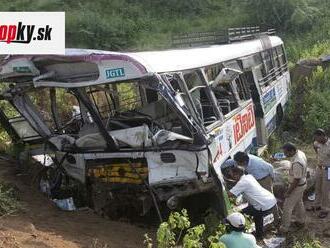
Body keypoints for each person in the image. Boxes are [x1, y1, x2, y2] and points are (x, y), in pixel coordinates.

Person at [228, 166, 277, 240]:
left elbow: (229, 194)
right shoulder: (248, 177)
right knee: (254, 213)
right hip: (271, 200)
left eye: (232, 175)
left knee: (242, 214)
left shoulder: (242, 183)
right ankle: (259, 233)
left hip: (264, 205)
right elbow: (237, 183)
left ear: (237, 174)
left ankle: (257, 236)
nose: (231, 177)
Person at [279, 143, 307, 233]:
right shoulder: (300, 153)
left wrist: (288, 192)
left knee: (287, 207)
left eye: (286, 152)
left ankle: (284, 228)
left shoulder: (297, 162)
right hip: (302, 184)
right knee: (299, 203)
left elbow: (296, 179)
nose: (284, 154)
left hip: (297, 186)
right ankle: (301, 221)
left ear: (291, 151)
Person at [308, 129, 330, 218]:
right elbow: (315, 147)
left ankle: (325, 209)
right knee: (317, 187)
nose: (315, 140)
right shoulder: (317, 143)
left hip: (329, 170)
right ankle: (317, 205)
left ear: (322, 136)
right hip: (319, 168)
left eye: (317, 137)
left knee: (326, 189)